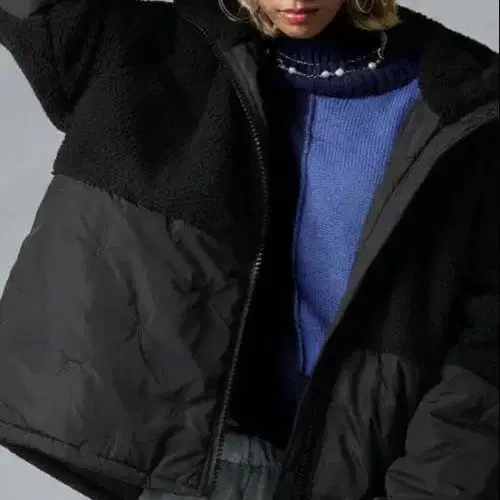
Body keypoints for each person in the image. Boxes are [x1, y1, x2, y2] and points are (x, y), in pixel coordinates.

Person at [0, 0, 498, 499]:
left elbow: (487, 348)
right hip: (192, 467)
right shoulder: (150, 48)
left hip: (361, 472)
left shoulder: (467, 100)